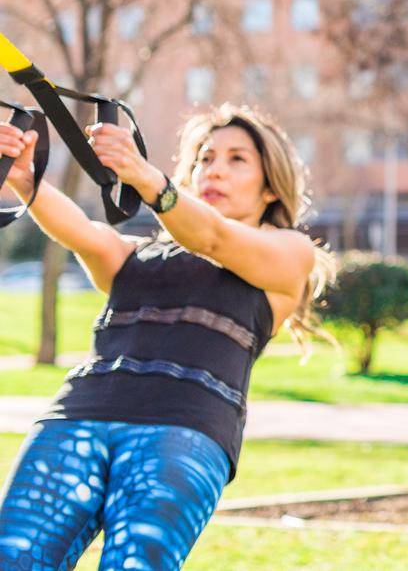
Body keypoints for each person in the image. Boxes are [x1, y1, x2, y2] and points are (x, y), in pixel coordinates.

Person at [0, 103, 334, 571]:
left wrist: (144, 176)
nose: (215, 169)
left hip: (184, 430)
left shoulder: (288, 252)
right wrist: (24, 178)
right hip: (77, 416)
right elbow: (86, 235)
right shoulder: (142, 253)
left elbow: (213, 239)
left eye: (237, 159)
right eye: (204, 158)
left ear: (271, 185)